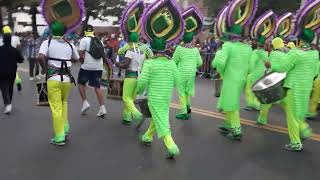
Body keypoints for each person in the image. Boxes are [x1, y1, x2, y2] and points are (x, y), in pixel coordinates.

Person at [265, 29, 318, 151]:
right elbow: (315, 72)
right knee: (299, 113)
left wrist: (270, 65)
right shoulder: (314, 54)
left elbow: (283, 67)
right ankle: (304, 131)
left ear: (300, 40)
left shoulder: (295, 53)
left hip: (294, 87)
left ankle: (295, 143)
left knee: (292, 116)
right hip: (307, 87)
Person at [137, 37, 181, 158]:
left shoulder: (150, 62)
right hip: (166, 96)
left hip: (155, 96)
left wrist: (139, 91)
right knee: (159, 116)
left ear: (153, 48)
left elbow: (142, 81)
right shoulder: (171, 63)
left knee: (161, 120)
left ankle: (172, 147)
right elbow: (178, 81)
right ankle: (147, 136)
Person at [38, 21, 80, 146]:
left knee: (56, 108)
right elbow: (77, 59)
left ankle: (59, 136)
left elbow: (40, 57)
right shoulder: (69, 44)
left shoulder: (47, 42)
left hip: (53, 78)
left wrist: (44, 68)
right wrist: (66, 58)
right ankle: (65, 128)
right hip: (67, 79)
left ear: (51, 31)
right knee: (64, 103)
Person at [212, 25, 253, 140]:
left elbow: (219, 63)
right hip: (241, 79)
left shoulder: (228, 46)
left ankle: (236, 130)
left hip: (231, 78)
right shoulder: (248, 48)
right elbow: (250, 67)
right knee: (230, 100)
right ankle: (227, 124)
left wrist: (220, 71)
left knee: (231, 104)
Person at [116, 32, 153, 125]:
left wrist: (118, 64)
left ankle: (136, 113)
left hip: (130, 77)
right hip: (139, 77)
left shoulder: (129, 50)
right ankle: (127, 117)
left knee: (126, 98)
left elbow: (126, 64)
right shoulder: (143, 51)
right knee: (131, 99)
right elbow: (150, 57)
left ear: (129, 40)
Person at [256, 37, 288, 125]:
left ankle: (262, 119)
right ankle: (300, 125)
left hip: (273, 80)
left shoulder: (274, 54)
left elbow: (270, 67)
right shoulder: (287, 54)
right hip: (283, 80)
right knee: (285, 102)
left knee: (266, 101)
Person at [77, 25, 107, 117]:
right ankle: (102, 108)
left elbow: (80, 55)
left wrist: (82, 63)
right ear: (93, 31)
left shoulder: (84, 40)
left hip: (87, 67)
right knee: (97, 87)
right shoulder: (99, 41)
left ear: (85, 31)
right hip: (98, 67)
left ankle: (85, 102)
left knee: (81, 83)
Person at [173, 32, 203, 120]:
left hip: (181, 73)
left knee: (181, 92)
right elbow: (200, 63)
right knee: (187, 91)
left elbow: (174, 60)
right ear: (191, 40)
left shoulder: (179, 49)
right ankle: (187, 106)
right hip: (191, 73)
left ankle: (183, 112)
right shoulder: (195, 50)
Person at [0, 34, 24, 114]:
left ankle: (7, 103)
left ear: (3, 40)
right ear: (10, 40)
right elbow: (21, 60)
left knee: (4, 88)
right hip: (12, 72)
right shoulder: (14, 50)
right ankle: (9, 101)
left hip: (2, 72)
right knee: (10, 87)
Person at [1, 26, 23, 91]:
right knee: (14, 71)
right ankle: (18, 81)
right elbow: (19, 47)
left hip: (4, 57)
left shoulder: (2, 39)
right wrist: (19, 55)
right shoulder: (16, 38)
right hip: (13, 56)